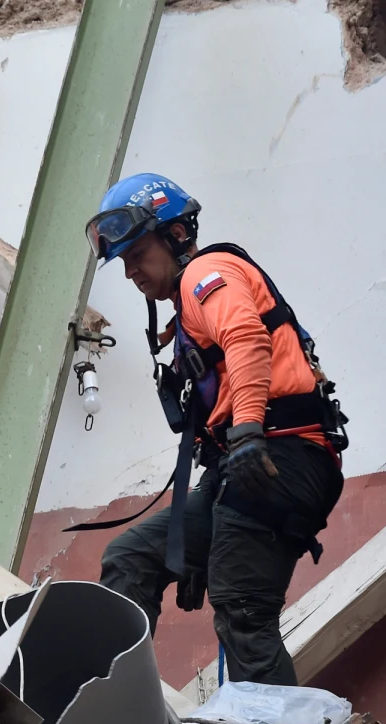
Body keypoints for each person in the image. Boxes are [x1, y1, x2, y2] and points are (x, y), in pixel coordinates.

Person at [84, 173, 348, 685]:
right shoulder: (185, 308)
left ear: (176, 235)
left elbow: (248, 339)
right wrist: (210, 519)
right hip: (244, 465)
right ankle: (120, 700)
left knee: (242, 610)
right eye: (124, 261)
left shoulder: (207, 273)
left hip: (281, 455)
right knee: (131, 556)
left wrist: (247, 429)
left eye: (137, 253)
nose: (130, 272)